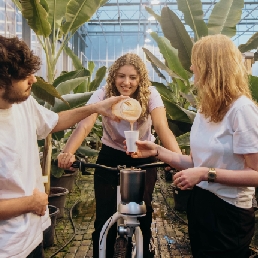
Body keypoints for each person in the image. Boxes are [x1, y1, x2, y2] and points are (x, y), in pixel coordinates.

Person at [126, 34, 258, 258]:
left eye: (196, 61)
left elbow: (255, 173)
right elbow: (196, 164)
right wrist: (158, 150)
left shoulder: (241, 110)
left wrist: (206, 174)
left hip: (229, 212)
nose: (190, 66)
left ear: (212, 67)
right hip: (201, 204)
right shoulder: (205, 110)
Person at [0, 35, 127, 258]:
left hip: (32, 236)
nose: (34, 80)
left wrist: (96, 108)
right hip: (7, 247)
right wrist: (29, 203)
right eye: (24, 76)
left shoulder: (23, 103)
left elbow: (54, 122)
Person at [58, 53, 181, 257]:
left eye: (133, 77)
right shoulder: (104, 94)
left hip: (143, 155)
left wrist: (177, 158)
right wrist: (67, 153)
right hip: (111, 155)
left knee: (144, 216)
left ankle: (146, 249)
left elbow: (162, 127)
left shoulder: (150, 94)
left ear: (140, 78)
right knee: (104, 219)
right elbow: (85, 125)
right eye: (121, 76)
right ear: (113, 76)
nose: (126, 82)